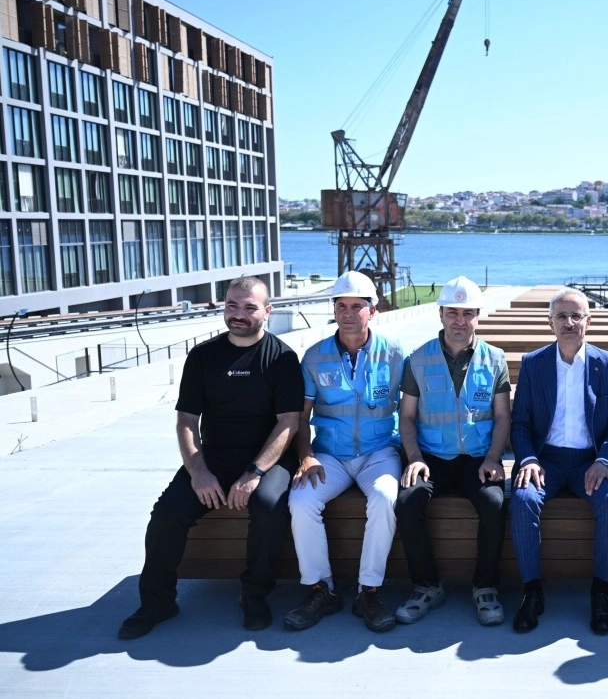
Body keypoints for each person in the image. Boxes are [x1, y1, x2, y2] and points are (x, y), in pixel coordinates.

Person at [118, 277, 302, 639]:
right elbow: (187, 421)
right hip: (214, 456)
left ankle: (254, 595)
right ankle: (157, 602)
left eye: (249, 307)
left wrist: (254, 472)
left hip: (268, 459)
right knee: (167, 513)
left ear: (267, 311)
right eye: (232, 305)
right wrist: (198, 472)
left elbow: (288, 424)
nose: (239, 314)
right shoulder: (203, 356)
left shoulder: (282, 358)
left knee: (268, 507)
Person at [282, 271, 405, 633]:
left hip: (379, 452)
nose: (348, 313)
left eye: (357, 306)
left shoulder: (395, 354)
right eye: (340, 306)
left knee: (384, 497)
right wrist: (306, 456)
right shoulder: (315, 357)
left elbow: (413, 410)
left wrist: (412, 455)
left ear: (373, 311)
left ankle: (369, 591)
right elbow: (301, 417)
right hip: (329, 455)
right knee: (301, 500)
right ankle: (320, 589)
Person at [510, 287, 608, 635]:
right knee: (522, 500)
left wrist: (604, 461)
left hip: (589, 462)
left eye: (576, 316)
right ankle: (532, 592)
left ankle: (600, 592)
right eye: (561, 316)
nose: (569, 322)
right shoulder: (533, 363)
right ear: (550, 322)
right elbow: (521, 423)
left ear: (588, 321)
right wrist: (528, 459)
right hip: (544, 460)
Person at [394, 276, 511, 626]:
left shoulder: (495, 359)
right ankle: (427, 586)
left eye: (467, 313)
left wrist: (493, 458)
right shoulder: (418, 359)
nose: (460, 320)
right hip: (431, 458)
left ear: (478, 315)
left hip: (478, 458)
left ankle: (485, 586)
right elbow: (407, 416)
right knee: (408, 502)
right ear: (441, 314)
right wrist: (414, 458)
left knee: (494, 502)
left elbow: (503, 417)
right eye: (452, 312)